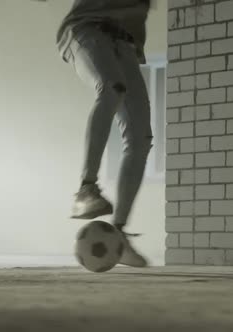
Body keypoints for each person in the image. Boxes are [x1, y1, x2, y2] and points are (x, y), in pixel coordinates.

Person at [56, 0, 153, 267]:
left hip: (125, 43)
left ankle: (119, 234)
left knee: (141, 138)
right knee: (111, 88)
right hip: (86, 29)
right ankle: (86, 190)